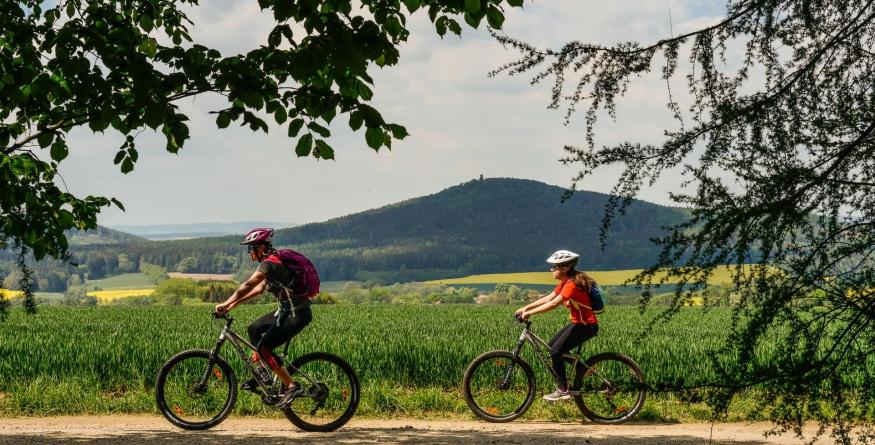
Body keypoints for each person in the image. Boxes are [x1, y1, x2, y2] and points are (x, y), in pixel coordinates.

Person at [215, 228, 312, 405]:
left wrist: (225, 301)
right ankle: (264, 375)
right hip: (286, 311)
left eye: (251, 249)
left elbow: (249, 284)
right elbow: (259, 289)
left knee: (264, 348)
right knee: (254, 329)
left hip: (296, 314)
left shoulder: (269, 264)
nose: (250, 253)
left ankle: (292, 386)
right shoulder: (273, 261)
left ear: (261, 247)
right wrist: (230, 305)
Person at [514, 250, 599, 401]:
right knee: (552, 346)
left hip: (586, 326)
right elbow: (549, 297)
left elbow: (553, 304)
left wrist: (530, 313)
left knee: (555, 352)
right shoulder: (566, 282)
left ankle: (562, 389)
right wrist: (526, 308)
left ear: (564, 268)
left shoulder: (572, 284)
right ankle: (583, 369)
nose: (551, 269)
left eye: (554, 267)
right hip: (579, 324)